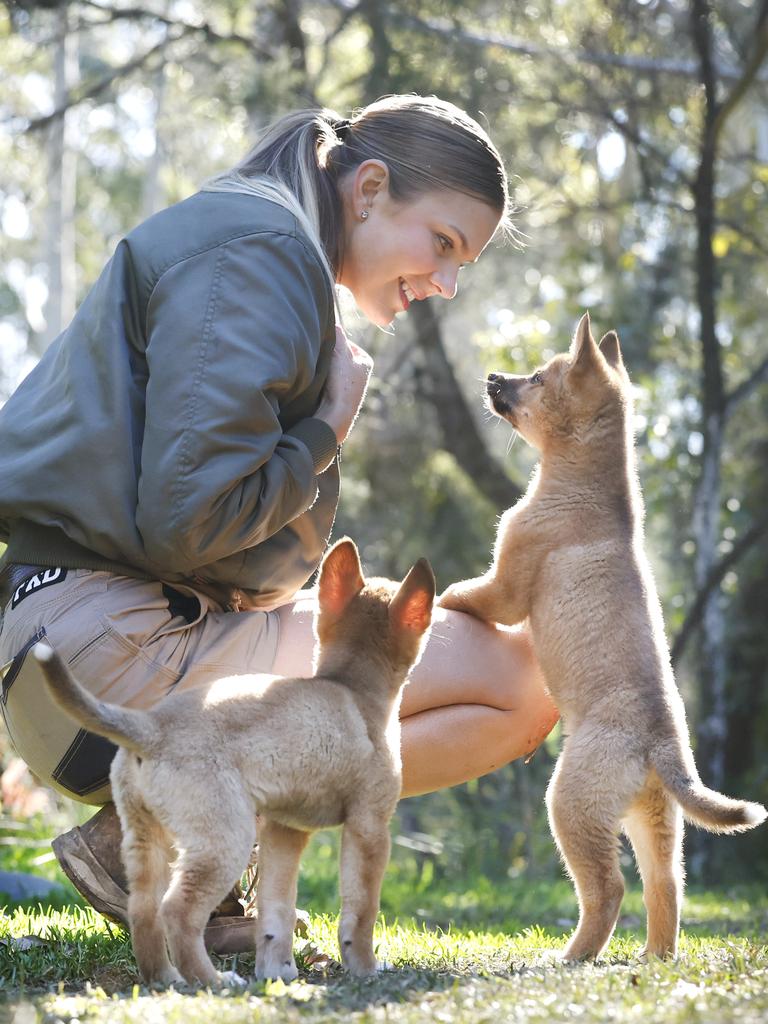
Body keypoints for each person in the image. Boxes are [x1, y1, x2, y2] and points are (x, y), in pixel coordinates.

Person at [0, 94, 559, 952]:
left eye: (462, 266)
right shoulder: (263, 257)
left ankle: (181, 838)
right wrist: (327, 427)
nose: (443, 283)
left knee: (476, 674)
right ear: (369, 189)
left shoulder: (259, 240)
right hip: (106, 654)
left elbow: (215, 533)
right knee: (520, 679)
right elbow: (191, 523)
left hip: (71, 650)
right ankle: (168, 833)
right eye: (442, 245)